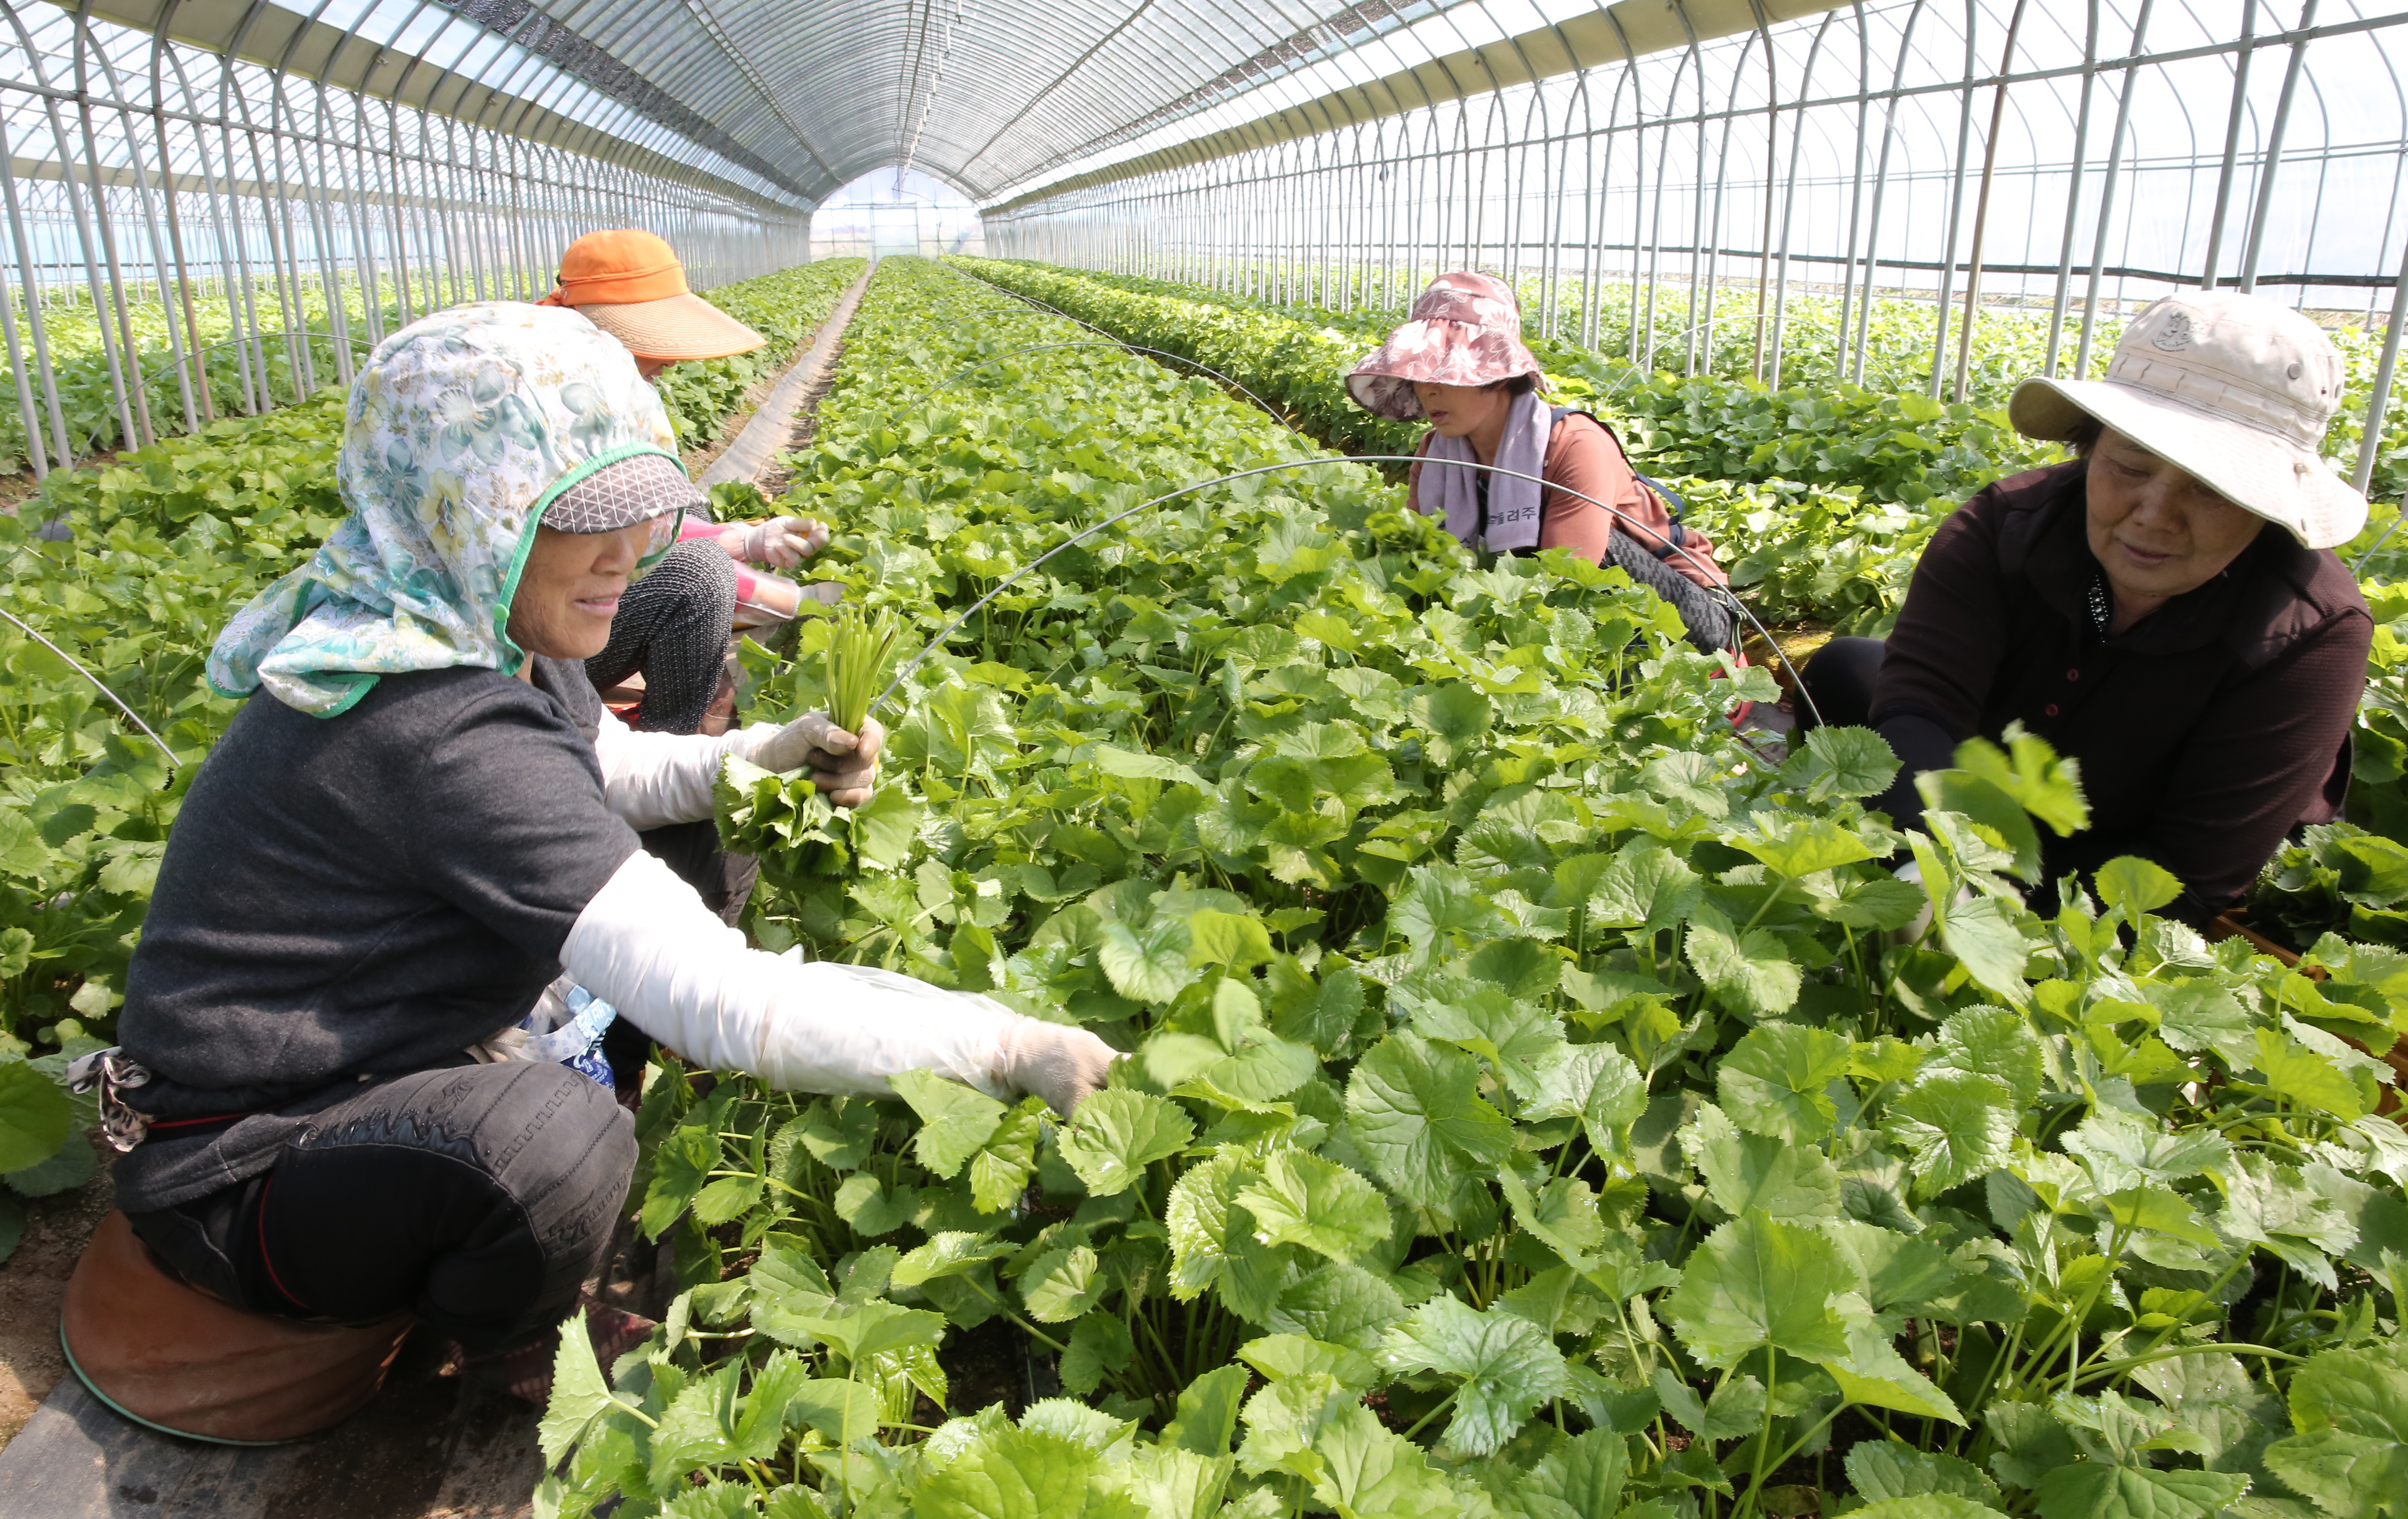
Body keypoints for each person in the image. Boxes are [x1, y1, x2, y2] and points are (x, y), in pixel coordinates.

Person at [69, 303, 1115, 1424]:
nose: (630, 553)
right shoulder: (431, 724)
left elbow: (604, 768)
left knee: (696, 857)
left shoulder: (476, 629)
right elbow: (727, 1002)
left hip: (396, 1059)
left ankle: (534, 1141)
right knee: (549, 1146)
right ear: (478, 516)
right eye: (580, 519)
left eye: (638, 509)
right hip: (247, 1168)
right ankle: (514, 1347)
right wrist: (1004, 1044)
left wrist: (763, 758)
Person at [1795, 290, 2372, 921]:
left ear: (2267, 505)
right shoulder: (2005, 526)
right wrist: (1926, 859)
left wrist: (1996, 917)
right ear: (2090, 447)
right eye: (2130, 467)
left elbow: (2194, 870)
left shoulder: (2312, 631)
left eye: (2208, 491)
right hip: (1988, 803)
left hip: (2141, 847)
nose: (2154, 516)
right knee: (1844, 674)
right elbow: (1921, 707)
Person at [1343, 272, 1741, 655]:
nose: (1427, 390)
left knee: (1591, 555)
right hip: (1552, 613)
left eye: (1446, 374)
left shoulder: (1574, 444)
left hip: (1687, 612)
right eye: (1420, 372)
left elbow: (1567, 582)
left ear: (1497, 376)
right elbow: (1422, 557)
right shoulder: (1435, 454)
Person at [539, 228, 830, 738]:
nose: (671, 359)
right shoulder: (554, 412)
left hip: (567, 627)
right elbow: (638, 546)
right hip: (537, 650)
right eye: (654, 340)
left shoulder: (600, 391)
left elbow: (658, 525)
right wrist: (776, 591)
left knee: (693, 514)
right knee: (699, 575)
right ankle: (671, 739)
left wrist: (745, 541)